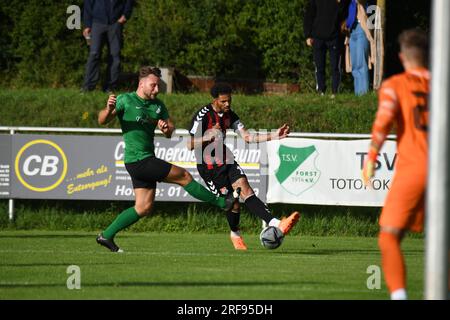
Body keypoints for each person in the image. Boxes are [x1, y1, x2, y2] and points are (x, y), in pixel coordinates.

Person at [96, 67, 238, 252]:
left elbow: (170, 131)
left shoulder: (158, 105)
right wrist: (108, 109)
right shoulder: (125, 100)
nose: (156, 89)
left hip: (143, 160)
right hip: (138, 160)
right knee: (184, 176)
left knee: (143, 207)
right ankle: (222, 203)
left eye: (158, 86)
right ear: (141, 84)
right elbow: (102, 120)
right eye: (153, 85)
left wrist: (165, 128)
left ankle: (106, 236)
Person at [187, 83, 300, 250]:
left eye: (229, 100)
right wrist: (207, 136)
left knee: (246, 190)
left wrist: (274, 135)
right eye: (224, 101)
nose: (228, 104)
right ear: (215, 100)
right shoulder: (202, 116)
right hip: (209, 168)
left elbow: (247, 136)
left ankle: (276, 223)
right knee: (232, 204)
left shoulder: (230, 115)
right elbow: (189, 144)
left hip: (226, 159)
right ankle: (235, 233)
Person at [362, 29, 429, 300]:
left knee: (389, 235)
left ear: (402, 57)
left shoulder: (395, 86)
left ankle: (399, 296)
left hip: (416, 169)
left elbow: (382, 124)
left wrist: (371, 158)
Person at [82, 0, 134, 93]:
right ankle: (88, 87)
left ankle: (110, 87)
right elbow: (88, 4)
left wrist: (126, 15)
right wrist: (87, 24)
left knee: (115, 55)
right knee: (94, 54)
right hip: (97, 22)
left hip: (115, 23)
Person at [303, 0, 348, 97]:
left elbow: (344, 14)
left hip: (334, 37)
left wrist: (341, 3)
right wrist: (307, 35)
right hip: (317, 37)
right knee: (319, 67)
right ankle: (321, 91)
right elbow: (309, 15)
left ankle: (335, 92)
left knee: (335, 66)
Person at [343, 0, 375, 96]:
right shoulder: (351, 3)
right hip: (352, 30)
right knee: (355, 64)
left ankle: (364, 93)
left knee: (362, 63)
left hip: (362, 28)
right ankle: (358, 94)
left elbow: (368, 7)